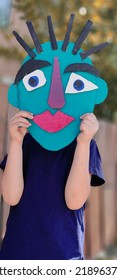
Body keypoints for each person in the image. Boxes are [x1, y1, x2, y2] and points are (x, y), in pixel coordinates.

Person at [0, 110, 105, 260]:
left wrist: (83, 142)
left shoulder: (85, 145)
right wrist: (16, 142)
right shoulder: (25, 142)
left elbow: (74, 201)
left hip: (64, 258)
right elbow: (10, 197)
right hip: (16, 256)